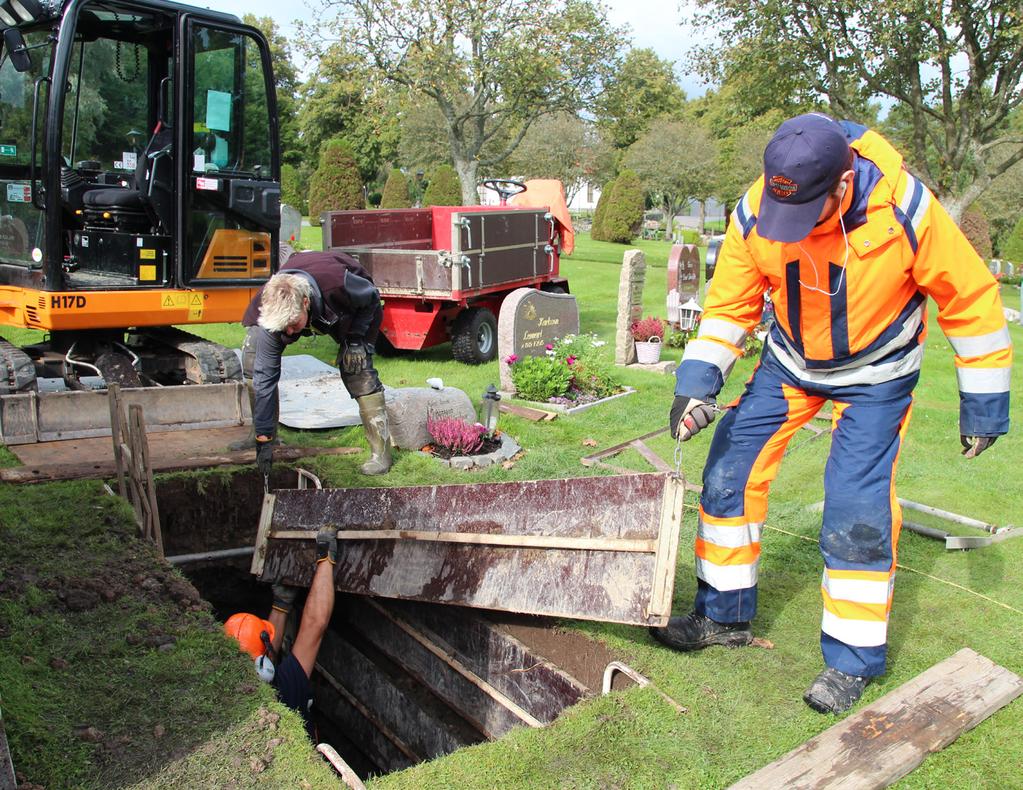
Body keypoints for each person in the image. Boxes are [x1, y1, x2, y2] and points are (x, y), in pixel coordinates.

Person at [652, 113, 1011, 714]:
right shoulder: (755, 211)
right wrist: (696, 383)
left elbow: (970, 298)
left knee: (855, 507)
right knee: (726, 477)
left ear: (843, 185)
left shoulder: (908, 210)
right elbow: (730, 305)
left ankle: (851, 660)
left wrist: (983, 405)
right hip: (790, 363)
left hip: (877, 377)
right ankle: (724, 616)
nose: (788, 231)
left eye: (805, 217)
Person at [241, 250, 392, 478]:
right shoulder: (268, 309)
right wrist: (264, 440)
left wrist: (355, 340)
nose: (289, 333)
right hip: (299, 306)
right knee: (254, 364)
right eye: (284, 329)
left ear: (305, 303)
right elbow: (264, 379)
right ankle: (264, 433)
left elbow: (372, 300)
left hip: (348, 310)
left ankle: (381, 454)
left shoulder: (341, 285)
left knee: (356, 367)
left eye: (292, 324)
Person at [225, 528, 337, 730]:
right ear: (263, 666)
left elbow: (266, 651)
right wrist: (326, 557)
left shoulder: (228, 690)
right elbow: (315, 624)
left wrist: (281, 605)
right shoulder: (285, 690)